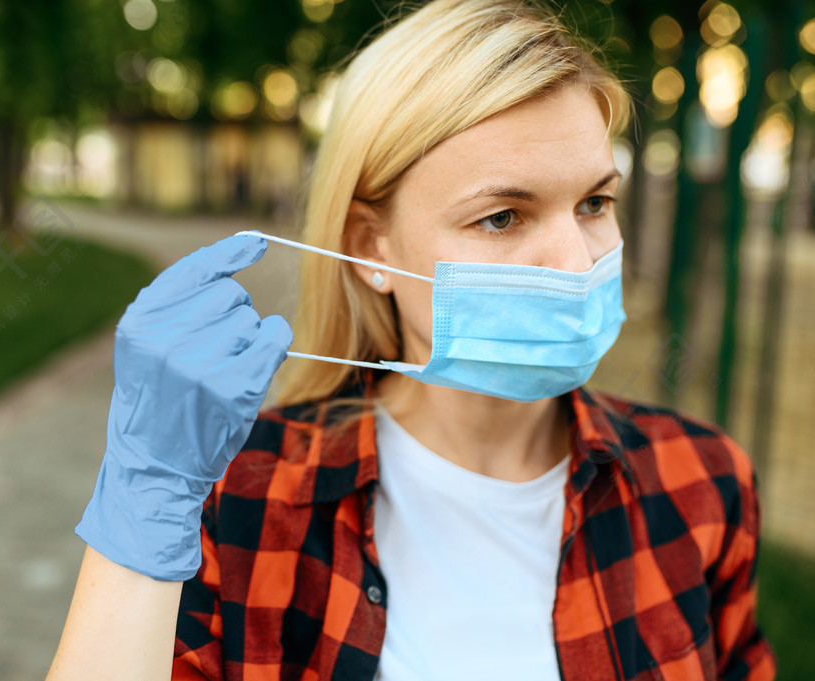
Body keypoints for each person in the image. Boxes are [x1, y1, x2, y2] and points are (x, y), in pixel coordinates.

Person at [46, 1, 776, 679]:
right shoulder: (239, 501)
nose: (579, 261)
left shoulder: (702, 481)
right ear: (371, 247)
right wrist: (145, 506)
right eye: (502, 217)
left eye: (593, 202)